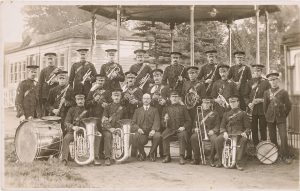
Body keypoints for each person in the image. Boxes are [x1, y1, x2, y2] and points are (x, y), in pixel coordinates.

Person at [61, 94, 101, 166]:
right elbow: (66, 122)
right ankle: (64, 159)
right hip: (74, 131)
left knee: (96, 137)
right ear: (76, 101)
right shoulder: (71, 110)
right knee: (66, 138)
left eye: (82, 99)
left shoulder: (88, 110)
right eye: (78, 100)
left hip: (86, 131)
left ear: (84, 100)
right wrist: (72, 127)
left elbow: (93, 121)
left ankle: (95, 158)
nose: (80, 101)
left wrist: (95, 130)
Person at [215, 95, 251, 170]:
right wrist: (224, 132)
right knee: (218, 139)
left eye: (234, 102)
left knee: (244, 140)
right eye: (231, 102)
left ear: (238, 103)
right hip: (227, 134)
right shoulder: (226, 114)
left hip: (239, 134)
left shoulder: (243, 113)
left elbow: (248, 127)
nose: (232, 104)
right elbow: (222, 126)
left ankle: (238, 162)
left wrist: (245, 133)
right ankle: (220, 160)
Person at [263, 71, 292, 164]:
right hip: (270, 118)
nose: (273, 82)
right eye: (271, 80)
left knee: (283, 137)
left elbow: (288, 106)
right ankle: (275, 155)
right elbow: (265, 106)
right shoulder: (266, 92)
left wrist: (284, 114)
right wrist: (267, 115)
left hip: (281, 118)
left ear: (278, 80)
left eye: (275, 79)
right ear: (269, 82)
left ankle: (285, 156)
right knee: (272, 137)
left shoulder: (283, 92)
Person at [181, 66, 206, 160]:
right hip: (187, 110)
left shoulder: (201, 84)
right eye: (190, 73)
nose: (191, 75)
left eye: (194, 73)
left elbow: (203, 98)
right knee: (187, 130)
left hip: (196, 110)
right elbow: (183, 96)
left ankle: (196, 153)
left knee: (195, 131)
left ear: (196, 74)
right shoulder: (186, 83)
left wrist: (198, 98)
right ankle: (188, 153)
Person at [161, 91, 191, 165]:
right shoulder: (166, 108)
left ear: (179, 98)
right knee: (164, 135)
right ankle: (167, 156)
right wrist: (165, 120)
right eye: (173, 97)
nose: (174, 98)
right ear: (170, 98)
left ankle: (181, 156)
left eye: (176, 96)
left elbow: (188, 120)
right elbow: (162, 122)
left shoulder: (183, 108)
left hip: (180, 129)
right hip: (170, 128)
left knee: (183, 135)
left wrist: (184, 127)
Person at [245, 64, 270, 146]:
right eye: (255, 71)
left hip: (262, 109)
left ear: (261, 72)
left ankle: (263, 145)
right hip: (252, 110)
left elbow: (269, 96)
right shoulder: (249, 82)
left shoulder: (266, 82)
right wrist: (249, 103)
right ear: (253, 71)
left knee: (263, 127)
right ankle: (256, 145)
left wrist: (261, 100)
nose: (256, 72)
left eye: (258, 71)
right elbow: (245, 95)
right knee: (254, 128)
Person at [190, 97, 220, 166]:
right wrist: (195, 129)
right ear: (202, 104)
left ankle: (211, 159)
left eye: (207, 103)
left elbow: (217, 125)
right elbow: (194, 126)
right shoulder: (198, 114)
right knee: (193, 137)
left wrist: (214, 131)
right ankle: (196, 159)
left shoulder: (215, 113)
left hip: (210, 132)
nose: (206, 105)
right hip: (201, 132)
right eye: (204, 103)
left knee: (214, 139)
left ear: (210, 104)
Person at [131, 93, 161, 161]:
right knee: (136, 136)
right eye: (144, 98)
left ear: (150, 100)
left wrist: (153, 130)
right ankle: (142, 153)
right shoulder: (137, 110)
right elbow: (133, 123)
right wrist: (138, 129)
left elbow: (157, 121)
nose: (146, 100)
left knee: (158, 136)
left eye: (148, 98)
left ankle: (151, 153)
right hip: (142, 131)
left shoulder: (155, 110)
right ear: (142, 100)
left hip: (152, 131)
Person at [148, 68, 170, 158]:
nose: (156, 78)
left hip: (163, 112)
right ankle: (154, 153)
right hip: (153, 113)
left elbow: (171, 99)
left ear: (162, 76)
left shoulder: (167, 87)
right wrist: (152, 99)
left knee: (162, 132)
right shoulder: (150, 88)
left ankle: (163, 153)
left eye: (158, 76)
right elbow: (146, 100)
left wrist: (166, 101)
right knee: (155, 132)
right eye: (154, 76)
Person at [102, 89, 127, 166]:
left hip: (119, 129)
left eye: (118, 95)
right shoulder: (107, 107)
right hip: (108, 129)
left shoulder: (124, 108)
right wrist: (110, 128)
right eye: (115, 95)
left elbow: (125, 121)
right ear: (112, 97)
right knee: (108, 136)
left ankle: (122, 155)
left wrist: (121, 129)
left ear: (120, 96)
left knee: (125, 135)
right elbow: (104, 120)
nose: (116, 97)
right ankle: (107, 157)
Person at [47, 70, 75, 135]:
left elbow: (74, 103)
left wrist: (66, 102)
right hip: (55, 116)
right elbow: (47, 104)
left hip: (66, 116)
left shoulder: (71, 90)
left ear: (66, 79)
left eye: (63, 78)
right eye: (60, 78)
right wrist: (53, 110)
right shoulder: (52, 90)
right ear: (57, 79)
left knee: (64, 134)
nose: (62, 80)